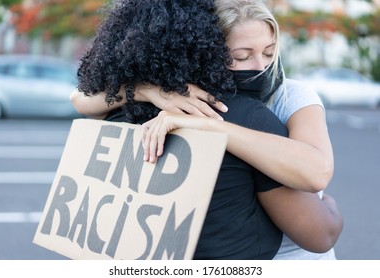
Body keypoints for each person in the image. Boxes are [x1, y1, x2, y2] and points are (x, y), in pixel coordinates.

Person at [74, 0, 343, 259]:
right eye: (241, 56)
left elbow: (316, 171)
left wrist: (209, 126)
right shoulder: (236, 113)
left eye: (270, 53)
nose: (261, 67)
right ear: (205, 52)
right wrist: (147, 91)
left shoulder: (291, 96)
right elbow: (320, 234)